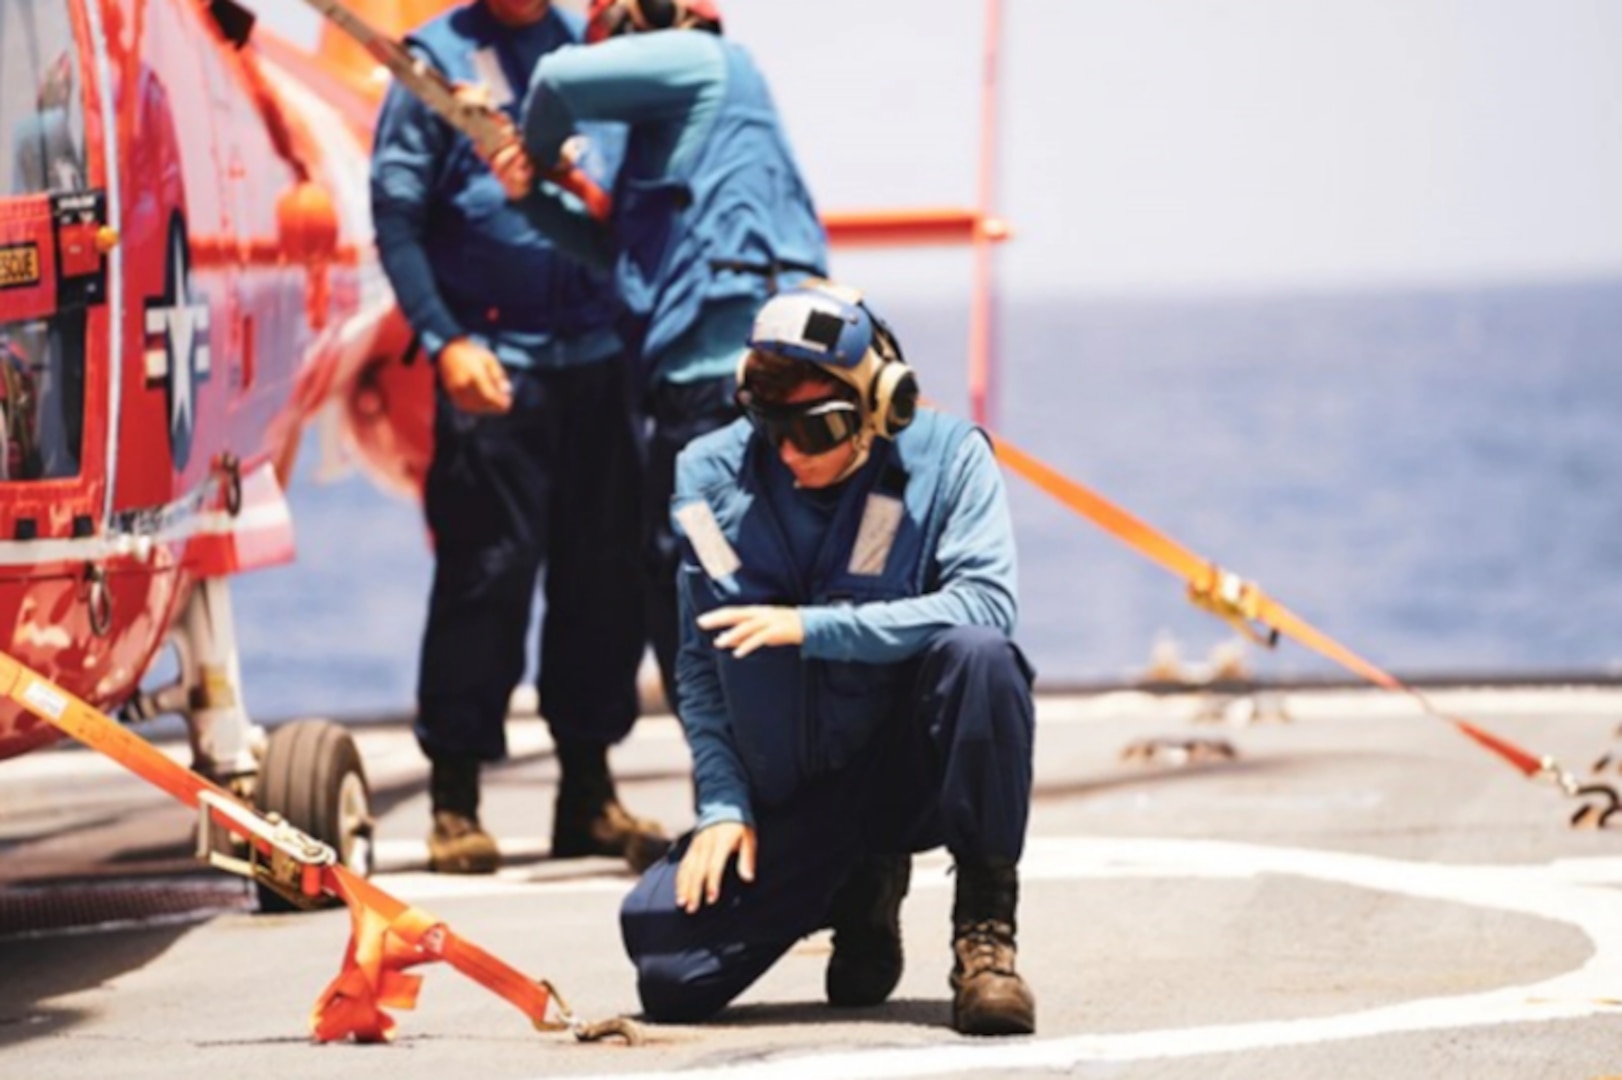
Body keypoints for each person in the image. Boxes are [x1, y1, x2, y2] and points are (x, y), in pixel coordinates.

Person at [618, 281, 1039, 1036]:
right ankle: (861, 888)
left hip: (900, 772)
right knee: (664, 963)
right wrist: (721, 804)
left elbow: (986, 605)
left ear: (881, 404)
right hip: (797, 801)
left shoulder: (947, 461)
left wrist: (808, 629)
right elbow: (699, 661)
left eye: (814, 430)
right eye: (768, 423)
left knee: (982, 660)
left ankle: (984, 938)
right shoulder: (708, 483)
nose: (786, 454)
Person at [370, 0, 668, 875]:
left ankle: (587, 796)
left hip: (602, 360)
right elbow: (395, 216)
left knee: (604, 573)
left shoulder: (596, 52)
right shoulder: (433, 60)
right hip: (493, 367)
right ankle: (454, 802)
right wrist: (445, 340)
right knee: (485, 574)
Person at [485, 0, 829, 714]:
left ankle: (758, 786)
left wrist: (540, 148)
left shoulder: (703, 61)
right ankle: (749, 782)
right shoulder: (670, 140)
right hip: (698, 397)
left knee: (714, 573)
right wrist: (530, 196)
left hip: (729, 391)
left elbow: (555, 80)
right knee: (692, 573)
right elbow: (617, 256)